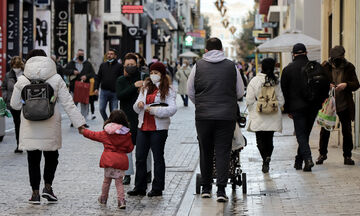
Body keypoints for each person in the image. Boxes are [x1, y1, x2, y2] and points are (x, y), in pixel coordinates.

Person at [10, 49, 86, 204]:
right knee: (52, 157)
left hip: (30, 125)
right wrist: (80, 124)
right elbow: (68, 104)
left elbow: (15, 105)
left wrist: (27, 103)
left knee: (33, 160)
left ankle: (35, 194)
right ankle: (48, 188)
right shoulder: (56, 78)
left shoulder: (23, 79)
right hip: (50, 124)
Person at [187, 37, 244, 202]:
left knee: (206, 151)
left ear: (205, 50)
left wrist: (201, 104)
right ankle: (221, 190)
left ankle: (206, 188)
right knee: (223, 151)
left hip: (203, 117)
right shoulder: (231, 66)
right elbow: (240, 92)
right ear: (221, 49)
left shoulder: (198, 66)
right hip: (226, 117)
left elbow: (190, 91)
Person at [127, 62, 177, 197]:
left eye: (157, 73)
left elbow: (172, 109)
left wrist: (155, 110)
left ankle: (157, 187)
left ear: (162, 74)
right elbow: (135, 107)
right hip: (143, 126)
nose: (154, 75)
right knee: (140, 157)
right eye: (152, 72)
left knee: (158, 157)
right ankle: (139, 187)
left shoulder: (169, 89)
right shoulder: (145, 87)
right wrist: (139, 104)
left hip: (158, 128)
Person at [80, 110, 134, 209]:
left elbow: (93, 135)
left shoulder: (106, 133)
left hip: (109, 161)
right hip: (120, 162)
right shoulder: (126, 134)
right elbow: (130, 148)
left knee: (106, 181)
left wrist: (83, 131)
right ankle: (121, 201)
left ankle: (103, 198)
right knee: (119, 182)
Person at [316, 46, 360, 165]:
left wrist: (346, 85)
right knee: (325, 130)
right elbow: (318, 82)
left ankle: (347, 156)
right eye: (336, 59)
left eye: (340, 58)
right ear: (331, 58)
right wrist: (327, 85)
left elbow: (356, 84)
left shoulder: (349, 67)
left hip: (344, 104)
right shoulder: (325, 66)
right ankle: (322, 154)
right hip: (329, 104)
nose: (338, 61)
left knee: (347, 131)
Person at [281, 43, 320, 172]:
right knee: (305, 134)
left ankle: (307, 159)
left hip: (297, 107)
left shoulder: (287, 69)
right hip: (313, 106)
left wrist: (287, 110)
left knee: (301, 134)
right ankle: (299, 160)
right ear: (306, 53)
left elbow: (284, 91)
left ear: (293, 54)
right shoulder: (314, 67)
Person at [116, 53, 152, 185]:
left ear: (137, 65)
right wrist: (134, 86)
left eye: (133, 64)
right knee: (127, 149)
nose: (130, 67)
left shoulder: (144, 78)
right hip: (127, 119)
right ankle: (127, 174)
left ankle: (147, 172)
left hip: (143, 118)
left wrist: (143, 87)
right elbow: (120, 95)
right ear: (124, 66)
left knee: (146, 149)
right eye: (128, 65)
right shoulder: (121, 80)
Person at [246, 58, 284, 173]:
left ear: (261, 67)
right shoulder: (276, 81)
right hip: (273, 115)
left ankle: (265, 158)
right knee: (269, 139)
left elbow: (249, 99)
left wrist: (254, 107)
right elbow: (281, 100)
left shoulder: (254, 81)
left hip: (258, 115)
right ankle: (267, 158)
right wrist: (273, 106)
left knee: (260, 141)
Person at [65, 49, 95, 127]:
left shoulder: (88, 64)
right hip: (74, 87)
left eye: (82, 54)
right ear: (76, 55)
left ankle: (83, 122)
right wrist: (73, 72)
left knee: (85, 105)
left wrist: (86, 76)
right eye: (79, 54)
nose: (81, 56)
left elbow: (92, 73)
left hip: (84, 87)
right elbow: (65, 71)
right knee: (73, 106)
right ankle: (74, 121)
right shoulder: (71, 63)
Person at [2, 56, 24, 153]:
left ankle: (24, 143)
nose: (16, 67)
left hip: (24, 104)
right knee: (17, 123)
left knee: (23, 124)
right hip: (13, 103)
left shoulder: (25, 75)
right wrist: (6, 97)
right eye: (14, 65)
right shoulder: (8, 75)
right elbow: (4, 87)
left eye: (18, 65)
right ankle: (19, 144)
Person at [95, 48, 123, 121]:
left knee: (114, 111)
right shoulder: (103, 65)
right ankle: (107, 121)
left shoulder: (119, 66)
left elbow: (122, 79)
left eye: (111, 54)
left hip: (114, 92)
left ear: (115, 56)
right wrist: (96, 88)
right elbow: (98, 77)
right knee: (101, 109)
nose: (109, 55)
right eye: (108, 54)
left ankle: (112, 124)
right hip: (104, 91)